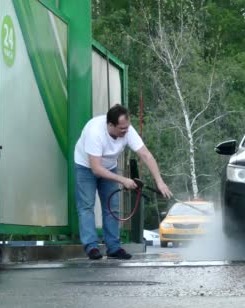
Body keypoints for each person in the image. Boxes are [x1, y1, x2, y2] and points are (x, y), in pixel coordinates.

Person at [74, 104, 172, 260]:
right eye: (122, 129)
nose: (126, 131)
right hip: (87, 167)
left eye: (127, 128)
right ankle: (91, 247)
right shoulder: (95, 132)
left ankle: (113, 247)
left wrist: (159, 181)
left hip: (109, 166)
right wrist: (123, 180)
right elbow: (96, 169)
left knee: (112, 207)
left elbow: (146, 155)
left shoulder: (127, 130)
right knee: (86, 206)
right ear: (110, 125)